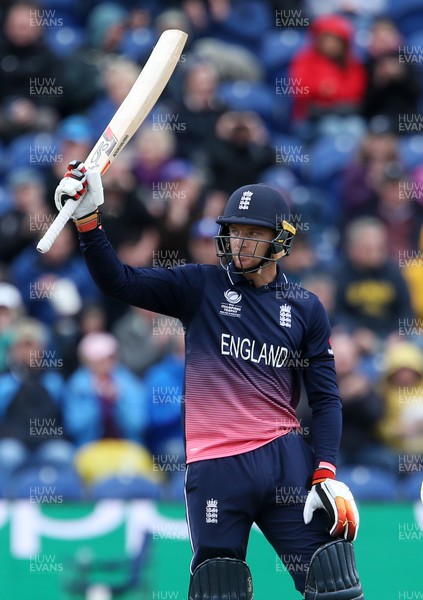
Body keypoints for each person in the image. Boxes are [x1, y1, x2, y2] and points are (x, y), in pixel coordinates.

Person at [53, 160, 364, 599]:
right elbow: (120, 281)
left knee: (333, 583)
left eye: (254, 233)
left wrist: (327, 469)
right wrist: (89, 224)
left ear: (281, 240)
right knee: (220, 586)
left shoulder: (305, 307)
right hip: (217, 465)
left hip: (285, 459)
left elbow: (327, 399)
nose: (240, 242)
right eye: (235, 231)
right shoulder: (200, 285)